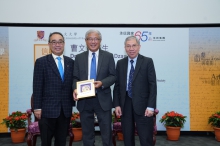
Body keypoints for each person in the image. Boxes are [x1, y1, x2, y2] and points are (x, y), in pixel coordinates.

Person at [73, 29, 116, 146]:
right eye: (90, 39)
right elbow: (75, 77)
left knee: (106, 132)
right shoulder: (79, 57)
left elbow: (113, 76)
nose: (93, 41)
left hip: (102, 98)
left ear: (100, 41)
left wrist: (102, 83)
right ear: (85, 41)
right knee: (87, 133)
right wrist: (75, 89)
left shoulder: (108, 56)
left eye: (96, 39)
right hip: (84, 99)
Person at [113, 36, 157, 146]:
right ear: (125, 48)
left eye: (134, 45)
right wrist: (117, 105)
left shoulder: (147, 61)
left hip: (143, 105)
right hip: (125, 103)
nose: (131, 48)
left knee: (145, 138)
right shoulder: (120, 63)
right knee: (127, 138)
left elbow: (153, 85)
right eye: (128, 46)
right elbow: (117, 86)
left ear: (139, 47)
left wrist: (151, 106)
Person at [33, 32, 75, 146]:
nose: (57, 44)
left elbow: (74, 83)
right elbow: (37, 86)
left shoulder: (70, 62)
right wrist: (37, 107)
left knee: (61, 141)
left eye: (60, 42)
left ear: (64, 44)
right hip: (47, 110)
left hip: (65, 110)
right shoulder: (41, 62)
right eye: (54, 42)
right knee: (46, 141)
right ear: (49, 44)